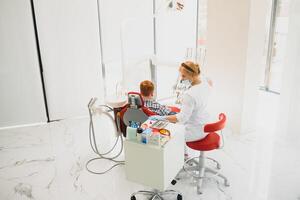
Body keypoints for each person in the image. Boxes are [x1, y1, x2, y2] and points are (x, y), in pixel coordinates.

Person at [149, 61, 211, 142]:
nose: (181, 79)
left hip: (194, 132)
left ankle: (179, 154)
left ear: (192, 74)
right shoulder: (205, 82)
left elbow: (181, 118)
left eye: (183, 76)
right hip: (205, 125)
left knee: (164, 136)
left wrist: (162, 118)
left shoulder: (190, 95)